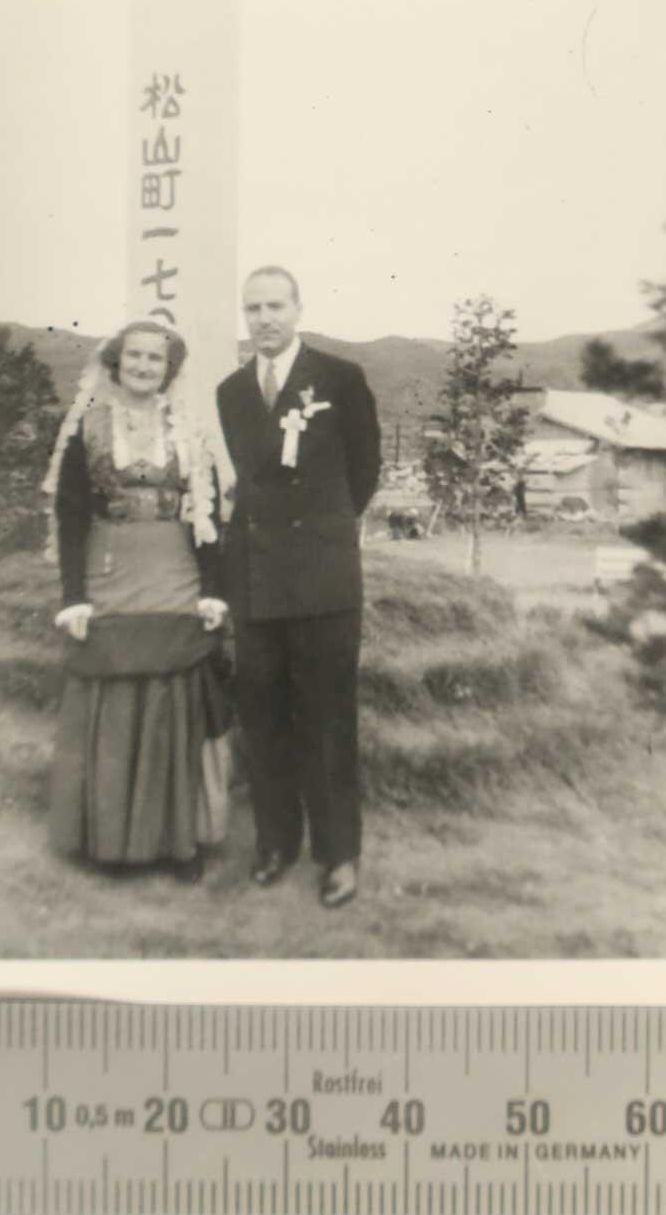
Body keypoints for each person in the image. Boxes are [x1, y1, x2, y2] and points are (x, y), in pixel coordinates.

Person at [42, 319, 230, 883]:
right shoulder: (88, 427)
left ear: (169, 369)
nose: (145, 367)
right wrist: (73, 596)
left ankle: (179, 842)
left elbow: (209, 514)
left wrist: (214, 589)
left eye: (155, 359)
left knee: (175, 698)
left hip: (175, 571)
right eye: (135, 358)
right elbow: (71, 514)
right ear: (116, 364)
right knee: (116, 699)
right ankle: (110, 841)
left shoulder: (189, 431)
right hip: (110, 569)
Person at [216, 266, 381, 909]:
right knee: (263, 718)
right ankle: (276, 842)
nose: (264, 319)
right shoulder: (232, 391)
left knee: (326, 719)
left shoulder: (340, 379)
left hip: (322, 579)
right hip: (255, 580)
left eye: (275, 306)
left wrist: (322, 534)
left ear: (298, 308)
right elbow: (251, 480)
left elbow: (361, 475)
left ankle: (338, 854)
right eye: (253, 308)